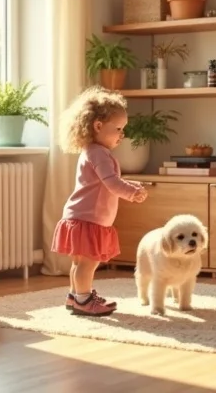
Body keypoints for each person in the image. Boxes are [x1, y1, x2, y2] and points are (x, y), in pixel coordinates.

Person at [51, 86, 148, 316]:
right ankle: (83, 300)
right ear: (98, 126)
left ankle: (76, 296)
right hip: (89, 218)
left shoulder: (91, 151)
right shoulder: (99, 154)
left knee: (79, 262)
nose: (121, 135)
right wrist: (131, 193)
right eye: (118, 129)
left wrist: (130, 186)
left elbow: (110, 181)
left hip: (80, 216)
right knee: (89, 262)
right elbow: (112, 183)